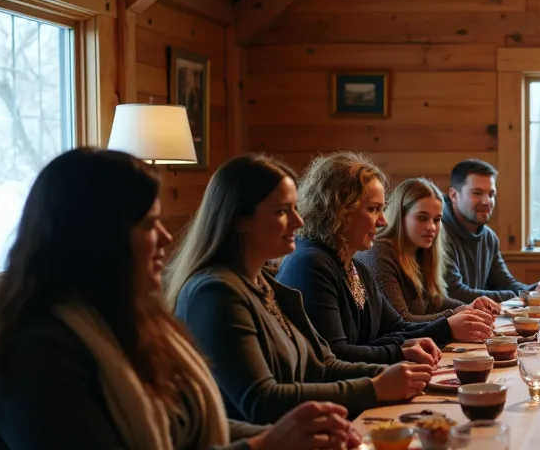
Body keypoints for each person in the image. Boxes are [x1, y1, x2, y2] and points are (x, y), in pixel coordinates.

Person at [0, 149, 355, 450]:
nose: (165, 237)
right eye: (149, 224)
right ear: (96, 238)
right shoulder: (31, 349)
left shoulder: (128, 323)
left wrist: (293, 440)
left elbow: (192, 428)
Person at [167, 155, 432, 425]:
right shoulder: (215, 292)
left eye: (295, 208)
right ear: (239, 220)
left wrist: (399, 372)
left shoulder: (266, 283)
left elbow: (324, 365)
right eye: (282, 211)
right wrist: (374, 386)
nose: (298, 220)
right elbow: (263, 401)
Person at [275, 152, 451, 365]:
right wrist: (401, 350)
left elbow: (397, 327)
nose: (383, 221)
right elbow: (334, 355)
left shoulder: (355, 266)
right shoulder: (310, 264)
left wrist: (447, 326)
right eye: (373, 209)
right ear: (339, 209)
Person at [359, 178, 499, 336]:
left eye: (437, 219)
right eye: (422, 218)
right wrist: (454, 315)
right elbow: (402, 322)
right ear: (400, 216)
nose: (431, 227)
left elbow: (436, 301)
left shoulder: (421, 250)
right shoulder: (378, 252)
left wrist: (469, 307)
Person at [442, 158, 540, 302]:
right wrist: (524, 296)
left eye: (491, 194)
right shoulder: (437, 234)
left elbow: (504, 283)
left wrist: (534, 290)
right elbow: (455, 293)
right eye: (477, 193)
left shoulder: (489, 237)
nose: (486, 202)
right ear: (454, 195)